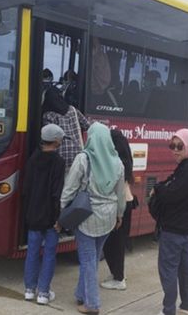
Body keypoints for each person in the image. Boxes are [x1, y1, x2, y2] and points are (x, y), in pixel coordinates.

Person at [58, 122, 125, 315]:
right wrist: (119, 214)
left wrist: (60, 211)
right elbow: (120, 194)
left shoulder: (83, 159)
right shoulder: (117, 162)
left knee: (88, 259)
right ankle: (81, 294)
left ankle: (92, 304)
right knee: (93, 258)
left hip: (86, 215)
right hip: (109, 216)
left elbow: (69, 189)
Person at [149, 129, 188, 315]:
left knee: (168, 271)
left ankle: (168, 310)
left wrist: (156, 190)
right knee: (185, 268)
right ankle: (187, 306)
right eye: (172, 146)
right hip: (186, 228)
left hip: (174, 228)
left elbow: (173, 194)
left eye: (179, 146)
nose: (175, 150)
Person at [22, 124, 66, 305]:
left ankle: (29, 290)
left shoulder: (32, 159)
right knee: (49, 253)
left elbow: (26, 189)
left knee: (32, 252)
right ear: (56, 141)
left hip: (33, 214)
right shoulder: (59, 162)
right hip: (50, 216)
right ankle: (43, 293)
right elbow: (57, 192)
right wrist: (58, 218)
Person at [100, 129, 137, 291]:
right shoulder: (126, 160)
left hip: (120, 205)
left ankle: (119, 279)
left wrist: (118, 213)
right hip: (127, 203)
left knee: (114, 243)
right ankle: (116, 274)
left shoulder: (117, 162)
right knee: (117, 242)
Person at [42, 87, 91, 169]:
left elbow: (48, 136)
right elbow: (87, 126)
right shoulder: (73, 110)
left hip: (60, 154)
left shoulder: (48, 115)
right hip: (77, 152)